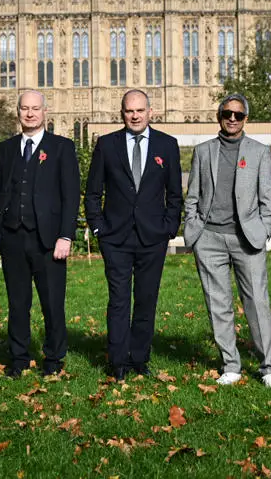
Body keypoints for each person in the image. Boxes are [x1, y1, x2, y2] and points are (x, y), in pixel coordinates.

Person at [85, 90, 182, 380]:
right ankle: (118, 362)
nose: (135, 115)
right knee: (118, 300)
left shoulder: (167, 145)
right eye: (130, 111)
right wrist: (99, 227)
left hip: (153, 237)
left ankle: (139, 359)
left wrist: (168, 228)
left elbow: (175, 194)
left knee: (146, 299)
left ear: (150, 112)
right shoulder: (106, 144)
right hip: (115, 237)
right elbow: (93, 193)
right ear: (122, 113)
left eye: (140, 110)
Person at [184, 94, 271, 387]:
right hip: (209, 238)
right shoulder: (203, 151)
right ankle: (231, 364)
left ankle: (268, 367)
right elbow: (193, 196)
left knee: (257, 303)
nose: (232, 119)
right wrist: (194, 231)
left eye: (238, 114)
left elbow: (268, 202)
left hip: (247, 239)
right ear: (219, 116)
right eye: (227, 113)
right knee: (218, 303)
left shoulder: (259, 151)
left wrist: (264, 231)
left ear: (246, 118)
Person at [0, 91, 80, 377]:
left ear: (45, 112)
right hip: (14, 238)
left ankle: (53, 360)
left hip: (49, 241)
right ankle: (18, 359)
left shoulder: (62, 148)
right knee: (17, 304)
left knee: (52, 303)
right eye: (24, 109)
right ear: (17, 112)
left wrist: (66, 236)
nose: (29, 114)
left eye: (35, 109)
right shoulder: (5, 150)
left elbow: (70, 196)